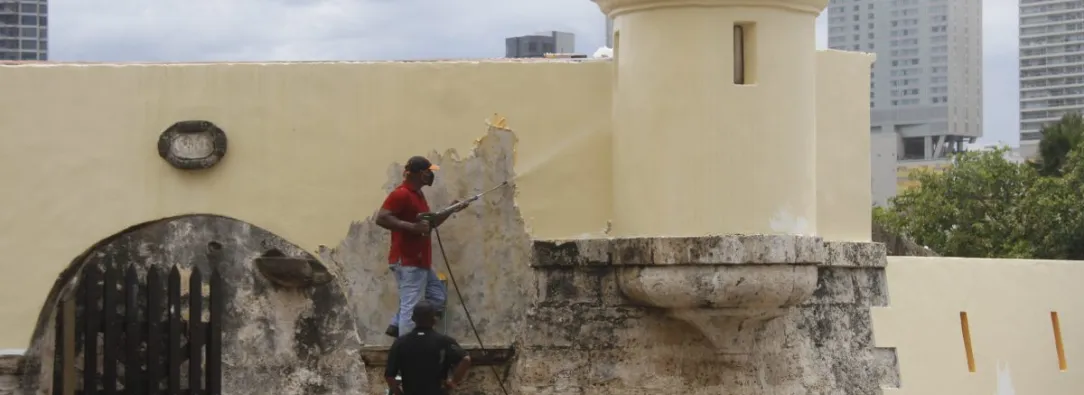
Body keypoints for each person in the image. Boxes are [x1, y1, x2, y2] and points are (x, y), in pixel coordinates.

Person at [376, 155, 469, 338]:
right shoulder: (401, 193)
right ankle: (408, 350)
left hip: (421, 261)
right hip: (408, 261)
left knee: (437, 298)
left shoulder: (418, 195)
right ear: (419, 174)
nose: (431, 175)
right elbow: (382, 218)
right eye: (428, 172)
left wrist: (451, 209)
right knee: (411, 310)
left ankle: (396, 323)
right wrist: (412, 227)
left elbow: (429, 224)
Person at [385, 301, 473, 395]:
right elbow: (466, 359)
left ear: (413, 319)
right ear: (434, 320)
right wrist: (453, 382)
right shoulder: (444, 341)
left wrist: (399, 393)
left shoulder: (400, 343)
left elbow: (389, 376)